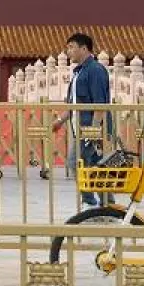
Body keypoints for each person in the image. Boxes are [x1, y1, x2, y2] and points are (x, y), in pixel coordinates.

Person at [52, 32, 111, 207]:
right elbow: (75, 104)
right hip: (82, 129)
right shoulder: (78, 72)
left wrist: (93, 131)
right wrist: (61, 120)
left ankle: (90, 202)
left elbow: (100, 103)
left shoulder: (95, 70)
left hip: (91, 130)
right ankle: (107, 204)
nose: (68, 51)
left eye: (71, 47)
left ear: (84, 48)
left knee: (75, 161)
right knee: (96, 167)